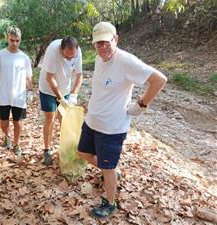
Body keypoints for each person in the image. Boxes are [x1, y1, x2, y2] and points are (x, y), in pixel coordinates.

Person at [77, 22, 167, 219]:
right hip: (92, 120)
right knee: (83, 153)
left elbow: (159, 79)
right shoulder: (101, 58)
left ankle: (110, 203)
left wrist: (141, 105)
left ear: (115, 39)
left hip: (112, 128)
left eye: (106, 42)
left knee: (108, 168)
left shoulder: (126, 61)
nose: (102, 47)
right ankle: (110, 172)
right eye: (98, 44)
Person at [0, 26, 33, 156]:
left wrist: (30, 91)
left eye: (17, 41)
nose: (14, 43)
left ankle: (16, 143)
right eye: (12, 40)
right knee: (4, 121)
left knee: (18, 122)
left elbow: (28, 76)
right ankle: (7, 136)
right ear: (7, 38)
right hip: (3, 95)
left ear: (20, 41)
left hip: (19, 95)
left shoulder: (24, 58)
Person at [39, 37, 83, 165]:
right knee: (50, 118)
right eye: (67, 57)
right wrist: (60, 98)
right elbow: (49, 77)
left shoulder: (77, 52)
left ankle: (66, 149)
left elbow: (79, 75)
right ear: (61, 49)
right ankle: (47, 150)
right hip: (48, 88)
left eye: (72, 57)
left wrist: (74, 94)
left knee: (65, 119)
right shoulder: (53, 50)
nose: (70, 59)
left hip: (65, 88)